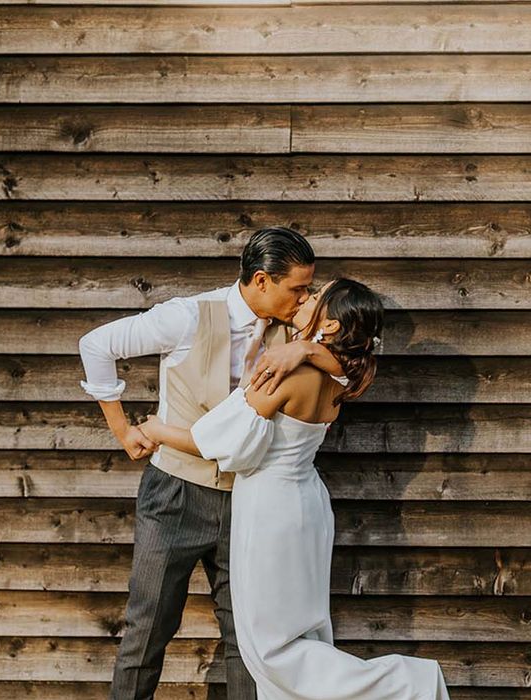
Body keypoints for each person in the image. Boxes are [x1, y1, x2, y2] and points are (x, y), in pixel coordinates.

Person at [139, 278, 451, 700]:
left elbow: (214, 443)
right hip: (306, 505)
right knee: (301, 634)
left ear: (334, 327)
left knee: (272, 650)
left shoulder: (292, 373)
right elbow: (343, 362)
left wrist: (157, 429)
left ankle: (408, 683)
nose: (306, 297)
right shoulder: (342, 374)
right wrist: (306, 346)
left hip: (271, 510)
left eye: (317, 296)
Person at [78, 226, 345, 700]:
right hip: (176, 495)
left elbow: (359, 358)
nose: (305, 298)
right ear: (262, 281)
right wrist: (123, 431)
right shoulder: (186, 316)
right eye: (298, 288)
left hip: (250, 503)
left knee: (248, 639)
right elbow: (97, 345)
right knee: (147, 630)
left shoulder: (299, 329)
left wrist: (306, 347)